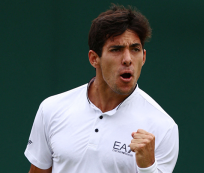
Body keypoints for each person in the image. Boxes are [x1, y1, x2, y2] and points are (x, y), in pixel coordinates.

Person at [25, 4, 179, 173]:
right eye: (116, 50)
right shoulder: (51, 109)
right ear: (94, 59)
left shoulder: (163, 126)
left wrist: (148, 167)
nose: (128, 59)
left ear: (143, 57)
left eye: (135, 49)